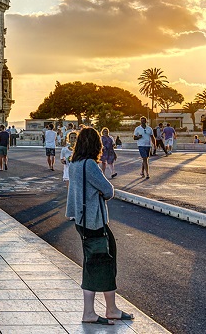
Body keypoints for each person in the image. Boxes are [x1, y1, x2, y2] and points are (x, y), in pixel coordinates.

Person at [66, 126, 132, 326]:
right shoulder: (89, 165)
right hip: (94, 222)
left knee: (94, 262)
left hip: (81, 220)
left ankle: (104, 309)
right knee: (103, 262)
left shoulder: (75, 163)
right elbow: (108, 189)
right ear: (95, 144)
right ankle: (100, 311)